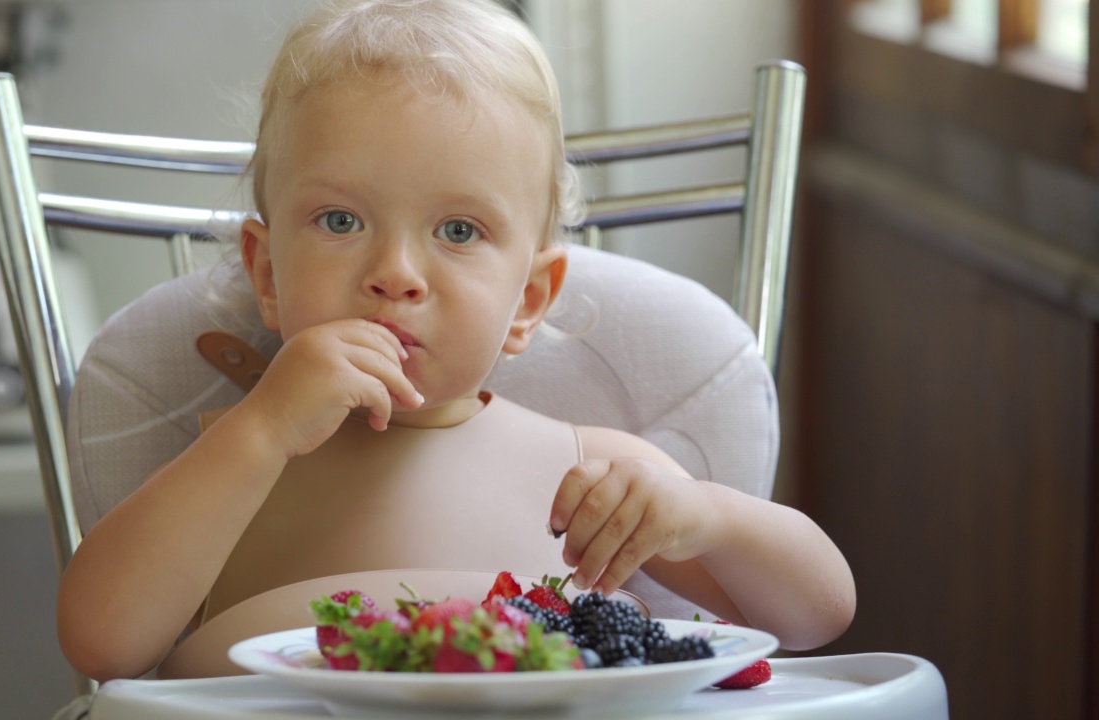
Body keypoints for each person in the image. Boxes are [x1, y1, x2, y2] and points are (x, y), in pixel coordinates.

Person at [56, 0, 855, 682]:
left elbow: (818, 617)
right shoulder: (228, 467)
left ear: (528, 301)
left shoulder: (587, 478)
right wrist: (262, 429)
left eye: (458, 230)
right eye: (341, 221)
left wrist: (708, 516)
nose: (395, 274)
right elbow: (102, 644)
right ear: (267, 273)